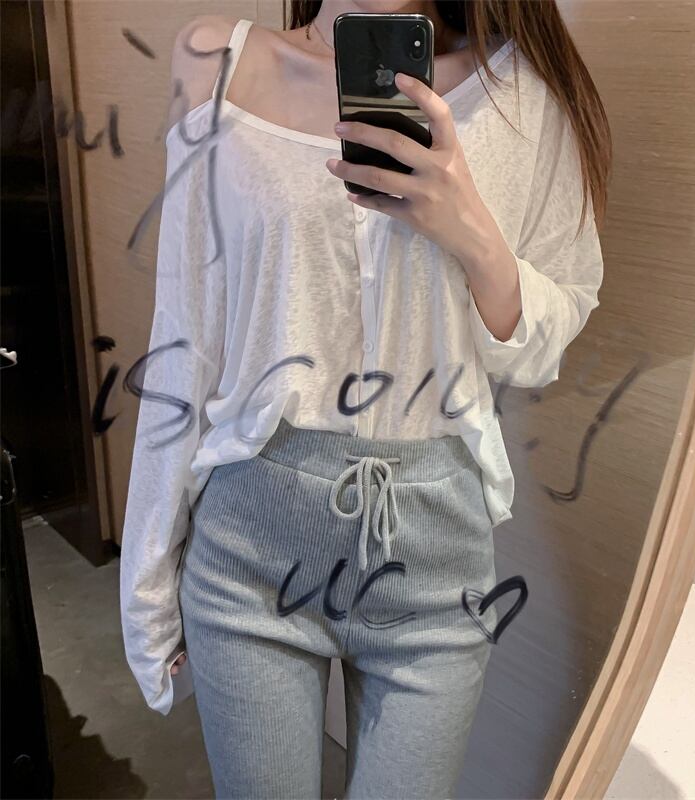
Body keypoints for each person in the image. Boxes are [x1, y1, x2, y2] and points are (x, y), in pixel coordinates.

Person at [119, 1, 610, 797]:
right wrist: (146, 581)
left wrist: (471, 230)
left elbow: (548, 340)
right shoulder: (216, 60)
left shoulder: (520, 90)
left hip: (434, 567)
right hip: (249, 552)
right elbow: (185, 335)